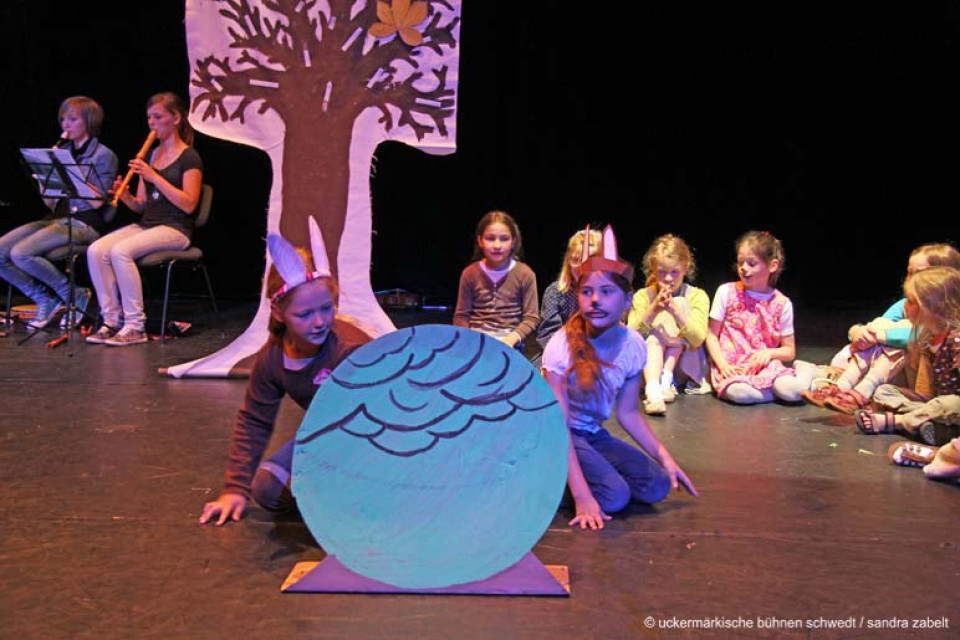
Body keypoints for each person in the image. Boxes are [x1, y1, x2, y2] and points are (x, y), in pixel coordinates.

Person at [200, 229, 372, 525]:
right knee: (266, 489)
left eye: (326, 309)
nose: (319, 322)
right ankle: (328, 515)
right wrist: (235, 488)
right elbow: (254, 419)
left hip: (374, 438)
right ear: (279, 313)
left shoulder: (349, 349)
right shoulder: (273, 358)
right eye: (304, 314)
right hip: (326, 436)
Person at [541, 225, 698, 531]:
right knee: (613, 497)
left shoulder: (633, 345)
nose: (595, 300)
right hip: (559, 437)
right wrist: (583, 497)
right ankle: (552, 481)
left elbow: (627, 413)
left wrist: (664, 456)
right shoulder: (561, 347)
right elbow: (555, 428)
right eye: (587, 292)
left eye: (607, 292)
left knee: (657, 487)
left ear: (627, 302)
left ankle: (591, 473)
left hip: (592, 435)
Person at [86, 92, 203, 346]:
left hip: (176, 228)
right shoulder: (149, 155)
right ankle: (111, 321)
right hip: (148, 224)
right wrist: (125, 196)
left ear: (176, 118)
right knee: (96, 250)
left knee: (120, 251)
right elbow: (141, 205)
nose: (152, 122)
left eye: (158, 116)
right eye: (149, 117)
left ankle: (135, 326)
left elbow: (190, 203)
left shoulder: (189, 157)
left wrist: (155, 177)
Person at [0, 96, 117, 330]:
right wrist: (45, 177)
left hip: (85, 222)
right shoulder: (63, 151)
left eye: (73, 119)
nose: (66, 125)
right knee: (1, 251)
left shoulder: (103, 155)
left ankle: (75, 294)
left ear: (89, 122)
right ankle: (44, 298)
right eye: (63, 119)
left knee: (22, 253)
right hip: (58, 218)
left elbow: (97, 203)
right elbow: (51, 204)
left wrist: (70, 172)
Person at [803, 243, 960, 414]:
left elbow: (914, 336)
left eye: (919, 273)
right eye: (909, 272)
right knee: (882, 382)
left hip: (940, 398)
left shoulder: (948, 330)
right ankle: (842, 388)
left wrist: (883, 335)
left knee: (898, 337)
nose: (911, 278)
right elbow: (878, 324)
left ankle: (863, 396)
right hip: (906, 381)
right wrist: (859, 331)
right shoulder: (907, 305)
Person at [704, 230, 815, 405]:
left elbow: (789, 351)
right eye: (741, 262)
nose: (743, 268)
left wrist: (769, 353)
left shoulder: (782, 303)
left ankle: (805, 372)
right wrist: (722, 365)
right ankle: (777, 392)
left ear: (772, 266)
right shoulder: (726, 291)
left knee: (790, 391)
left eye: (752, 263)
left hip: (766, 367)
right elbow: (711, 335)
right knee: (740, 394)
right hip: (734, 367)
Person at [854, 267, 960, 447]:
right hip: (936, 405)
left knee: (948, 403)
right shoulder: (928, 337)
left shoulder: (956, 339)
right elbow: (927, 392)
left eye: (911, 302)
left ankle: (896, 422)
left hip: (953, 406)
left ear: (931, 307)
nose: (905, 306)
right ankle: (926, 424)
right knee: (884, 391)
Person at [627, 234, 711, 415]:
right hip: (649, 367)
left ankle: (662, 383)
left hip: (682, 366)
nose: (668, 279)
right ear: (652, 269)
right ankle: (654, 388)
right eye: (662, 272)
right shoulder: (642, 296)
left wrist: (675, 310)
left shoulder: (698, 296)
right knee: (654, 337)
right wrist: (653, 310)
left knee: (680, 304)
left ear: (685, 268)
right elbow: (629, 337)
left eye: (674, 272)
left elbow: (697, 338)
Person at [452, 210, 539, 351]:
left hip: (510, 344)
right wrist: (471, 340)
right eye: (490, 238)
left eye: (504, 239)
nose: (497, 245)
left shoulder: (525, 274)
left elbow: (531, 318)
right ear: (480, 241)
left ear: (513, 242)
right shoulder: (470, 273)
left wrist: (510, 339)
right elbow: (461, 316)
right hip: (476, 343)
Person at [532, 228, 601, 368]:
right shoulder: (556, 292)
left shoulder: (608, 294)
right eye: (576, 261)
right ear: (568, 261)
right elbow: (547, 334)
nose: (582, 268)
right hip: (560, 355)